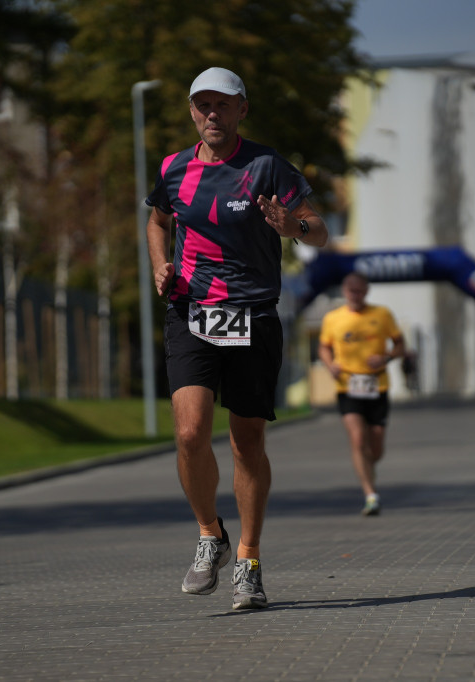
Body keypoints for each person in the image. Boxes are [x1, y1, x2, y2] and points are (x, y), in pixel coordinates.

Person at [145, 67, 328, 609]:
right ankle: (210, 535)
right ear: (191, 111)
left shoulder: (266, 166)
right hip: (191, 309)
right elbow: (158, 221)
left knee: (246, 440)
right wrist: (161, 263)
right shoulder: (174, 169)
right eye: (201, 105)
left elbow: (319, 228)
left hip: (252, 312)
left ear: (241, 109)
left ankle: (248, 557)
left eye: (221, 105)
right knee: (189, 433)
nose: (211, 115)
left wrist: (291, 227)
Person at [318, 271, 405, 516]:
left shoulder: (382, 314)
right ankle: (370, 494)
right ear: (344, 292)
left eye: (359, 291)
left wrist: (386, 357)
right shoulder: (333, 318)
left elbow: (400, 345)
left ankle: (367, 467)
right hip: (348, 386)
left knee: (375, 446)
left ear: (366, 291)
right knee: (358, 439)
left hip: (377, 386)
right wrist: (330, 364)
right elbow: (324, 347)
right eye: (350, 291)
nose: (355, 295)